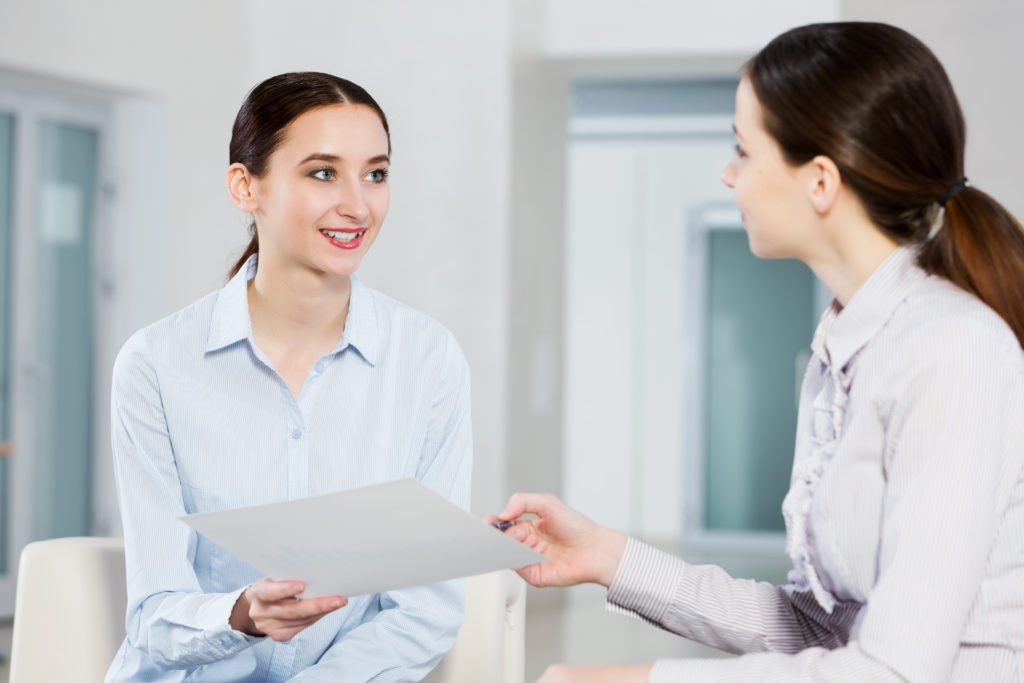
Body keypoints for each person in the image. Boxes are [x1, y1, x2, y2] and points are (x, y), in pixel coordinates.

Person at [489, 22, 1024, 683]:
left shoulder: (953, 351)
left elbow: (893, 671)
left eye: (742, 150)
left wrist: (631, 680)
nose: (727, 171)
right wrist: (608, 556)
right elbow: (816, 628)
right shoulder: (842, 353)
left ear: (820, 181)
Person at [106, 72, 473, 682]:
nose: (358, 205)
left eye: (376, 174)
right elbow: (153, 617)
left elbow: (423, 611)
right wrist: (242, 613)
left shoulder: (428, 361)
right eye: (323, 172)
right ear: (246, 186)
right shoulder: (156, 365)